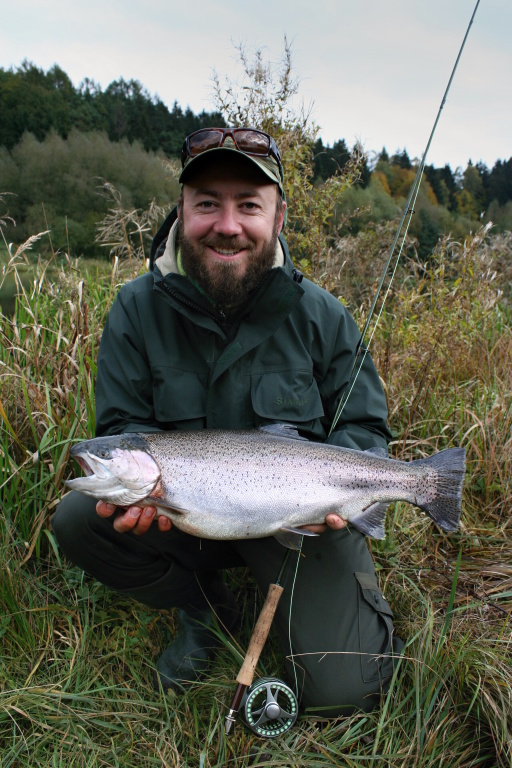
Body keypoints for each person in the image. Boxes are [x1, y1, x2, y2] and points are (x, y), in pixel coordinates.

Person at [52, 127, 403, 717]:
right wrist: (139, 496)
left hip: (300, 519)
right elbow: (121, 424)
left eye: (248, 206)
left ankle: (337, 600)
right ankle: (202, 605)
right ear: (182, 210)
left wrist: (341, 504)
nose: (227, 225)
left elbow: (364, 426)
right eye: (208, 203)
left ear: (279, 217)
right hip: (184, 517)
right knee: (79, 518)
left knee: (347, 692)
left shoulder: (322, 315)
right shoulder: (136, 309)